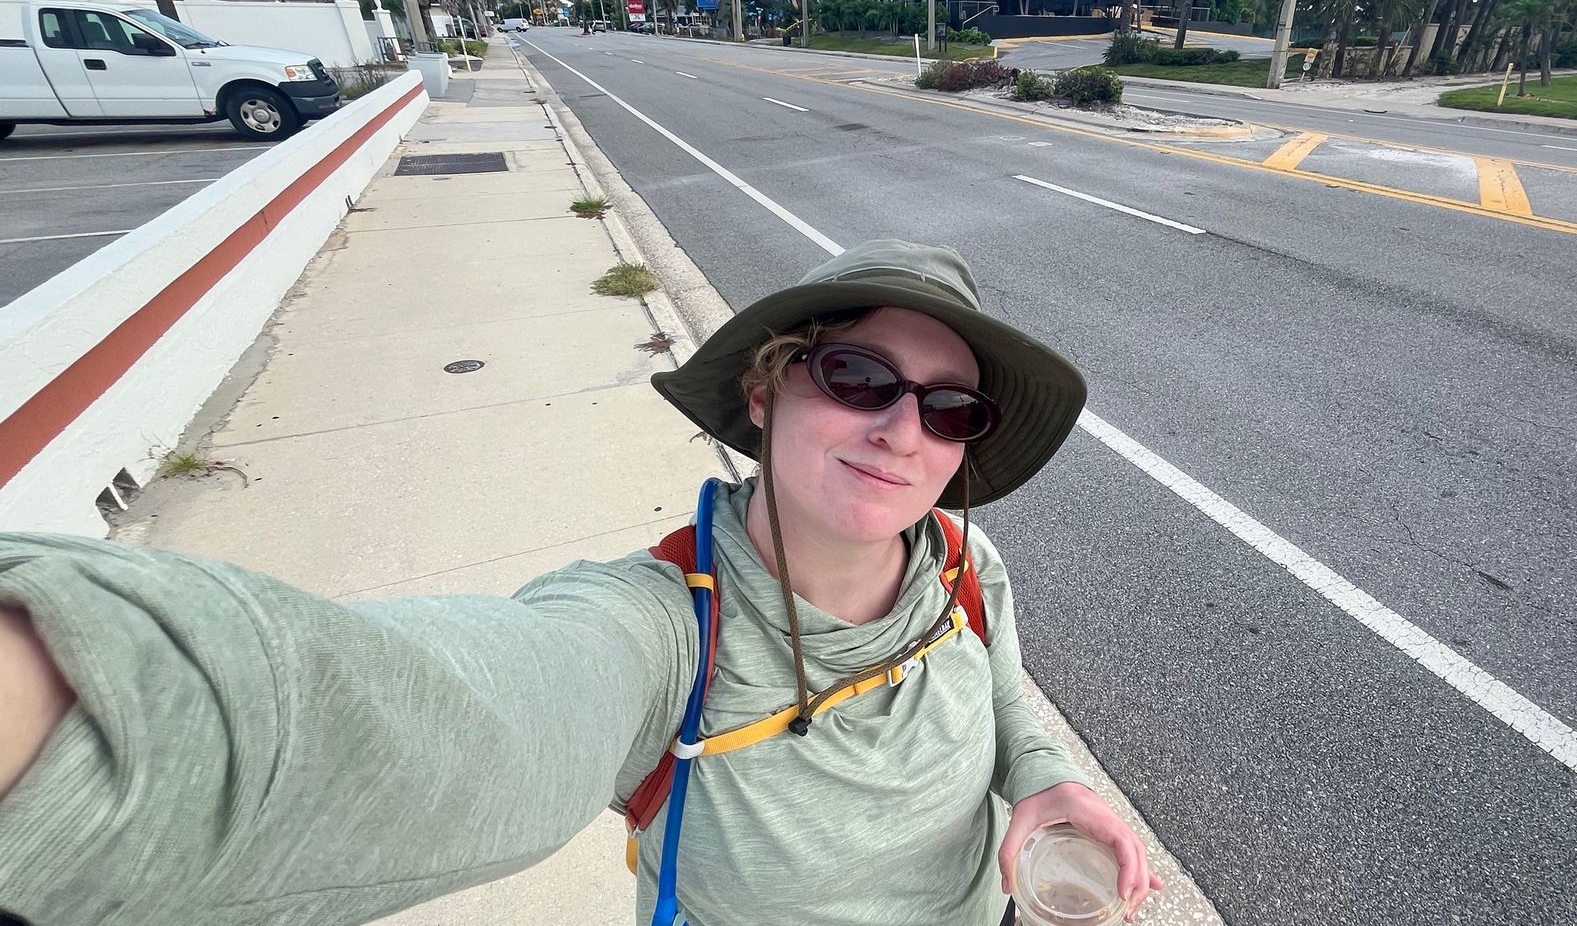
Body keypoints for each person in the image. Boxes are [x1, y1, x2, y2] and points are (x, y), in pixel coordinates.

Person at [0, 240, 1166, 926]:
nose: (901, 430)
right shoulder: (660, 632)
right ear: (764, 393)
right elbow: (469, 714)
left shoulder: (964, 564)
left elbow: (1006, 697)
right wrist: (73, 695)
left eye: (948, 405)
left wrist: (1048, 783)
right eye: (856, 375)